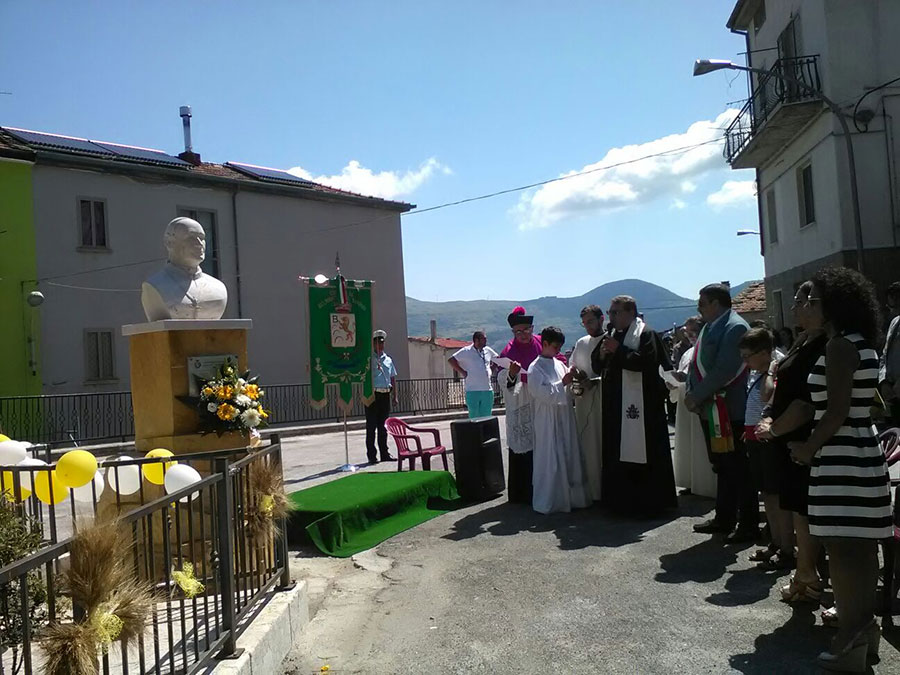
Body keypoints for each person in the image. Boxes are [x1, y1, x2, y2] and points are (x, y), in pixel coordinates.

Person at [787, 267, 891, 671]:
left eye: (810, 299)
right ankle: (861, 631)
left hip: (840, 454)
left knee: (844, 549)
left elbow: (835, 410)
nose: (803, 305)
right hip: (858, 449)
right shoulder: (859, 342)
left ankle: (850, 634)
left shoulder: (839, 347)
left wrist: (809, 447)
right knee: (859, 550)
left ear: (831, 304)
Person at [755, 282, 827, 604]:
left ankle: (809, 578)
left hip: (804, 440)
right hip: (787, 438)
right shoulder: (802, 340)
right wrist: (769, 415)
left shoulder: (824, 345)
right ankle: (804, 574)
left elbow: (805, 403)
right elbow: (780, 387)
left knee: (808, 512)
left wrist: (774, 429)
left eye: (802, 301)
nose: (795, 307)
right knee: (799, 510)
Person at [685, 283, 757, 542]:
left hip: (729, 408)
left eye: (702, 303)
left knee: (738, 468)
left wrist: (696, 395)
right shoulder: (710, 327)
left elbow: (724, 369)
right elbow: (697, 365)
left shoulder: (735, 326)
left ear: (716, 303)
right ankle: (724, 517)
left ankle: (747, 523)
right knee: (722, 466)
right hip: (711, 408)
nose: (699, 308)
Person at [593, 295, 676, 516]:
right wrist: (601, 354)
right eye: (610, 312)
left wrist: (618, 350)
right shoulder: (611, 335)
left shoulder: (646, 334)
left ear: (630, 313)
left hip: (643, 406)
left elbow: (646, 363)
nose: (610, 317)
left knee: (644, 451)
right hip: (614, 405)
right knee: (616, 451)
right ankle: (618, 501)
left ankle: (647, 502)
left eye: (615, 312)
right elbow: (597, 365)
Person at [738, 328, 793, 570]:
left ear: (764, 353)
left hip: (770, 439)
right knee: (767, 495)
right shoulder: (756, 369)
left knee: (777, 494)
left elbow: (768, 394)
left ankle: (787, 547)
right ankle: (775, 542)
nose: (745, 362)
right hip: (755, 436)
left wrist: (770, 369)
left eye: (748, 356)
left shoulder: (777, 365)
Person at [528, 326, 591, 514]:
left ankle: (573, 499)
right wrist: (562, 383)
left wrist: (574, 381)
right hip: (547, 419)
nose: (558, 350)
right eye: (555, 346)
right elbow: (541, 394)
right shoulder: (535, 368)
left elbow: (568, 389)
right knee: (550, 458)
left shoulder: (559, 363)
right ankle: (551, 500)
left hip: (564, 416)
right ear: (544, 343)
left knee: (568, 453)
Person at [496, 306, 543, 503]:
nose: (523, 335)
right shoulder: (509, 350)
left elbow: (555, 360)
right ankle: (521, 494)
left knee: (542, 445)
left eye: (526, 330)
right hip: (521, 403)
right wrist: (513, 374)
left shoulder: (541, 342)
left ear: (532, 328)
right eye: (518, 332)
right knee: (522, 447)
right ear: (513, 332)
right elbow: (502, 379)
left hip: (541, 401)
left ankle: (542, 489)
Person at [669, 317, 717, 499]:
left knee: (701, 444)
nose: (689, 336)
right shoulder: (688, 352)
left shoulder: (708, 349)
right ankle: (692, 481)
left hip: (701, 403)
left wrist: (685, 378)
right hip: (685, 402)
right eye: (686, 332)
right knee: (688, 443)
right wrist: (673, 383)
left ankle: (706, 483)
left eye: (692, 332)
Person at [570, 305, 605, 501]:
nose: (587, 327)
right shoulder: (581, 343)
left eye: (590, 321)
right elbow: (572, 365)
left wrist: (595, 381)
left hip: (604, 401)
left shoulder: (610, 341)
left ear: (602, 319)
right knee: (588, 447)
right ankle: (591, 491)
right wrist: (576, 375)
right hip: (584, 402)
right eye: (584, 323)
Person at [365, 329, 398, 464]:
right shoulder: (369, 359)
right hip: (373, 394)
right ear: (373, 344)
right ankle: (372, 455)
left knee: (383, 427)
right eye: (377, 342)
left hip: (385, 394)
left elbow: (392, 378)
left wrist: (395, 395)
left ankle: (385, 453)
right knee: (371, 426)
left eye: (382, 342)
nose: (380, 345)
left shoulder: (388, 359)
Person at [448, 331, 498, 419]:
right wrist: (462, 372)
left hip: (487, 390)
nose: (486, 341)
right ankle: (476, 433)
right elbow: (451, 360)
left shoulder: (487, 350)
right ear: (476, 340)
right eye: (484, 339)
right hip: (472, 390)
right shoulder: (466, 351)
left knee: (487, 416)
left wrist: (491, 369)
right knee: (474, 416)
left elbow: (497, 359)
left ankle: (485, 433)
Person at [878, 281, 900, 426]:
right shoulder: (894, 323)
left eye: (891, 304)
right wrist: (883, 380)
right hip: (892, 393)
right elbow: (884, 355)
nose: (890, 309)